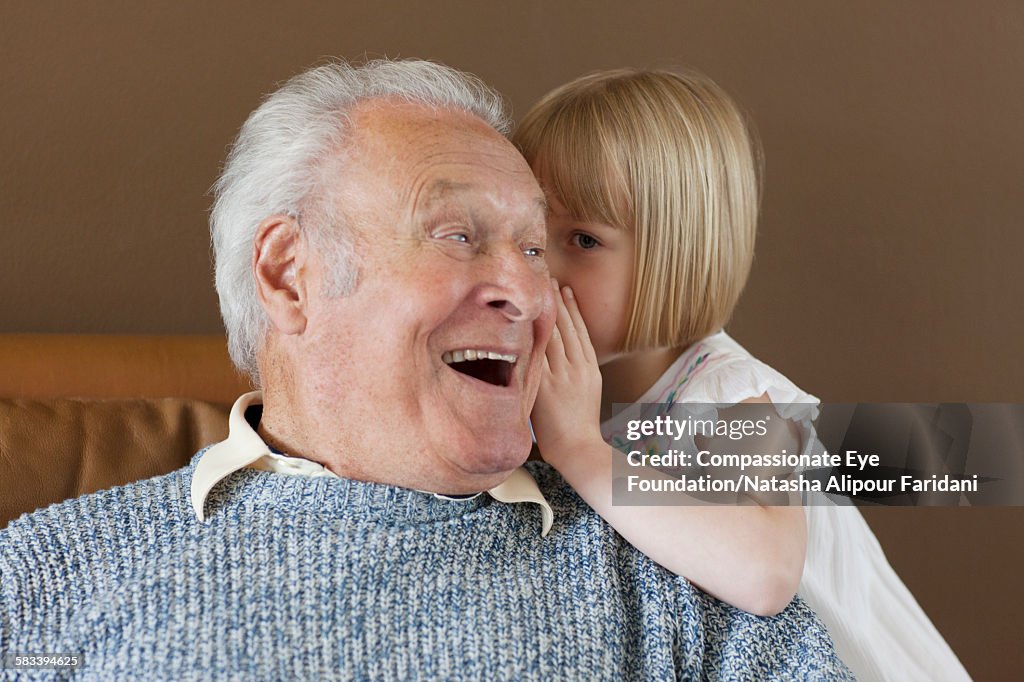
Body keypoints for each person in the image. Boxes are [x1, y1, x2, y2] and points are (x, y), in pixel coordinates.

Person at [0, 60, 852, 679]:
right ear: (289, 274)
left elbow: (779, 565)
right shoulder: (44, 579)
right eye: (459, 235)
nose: (529, 289)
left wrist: (588, 458)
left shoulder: (676, 567)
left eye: (539, 243)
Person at [514, 68, 970, 681]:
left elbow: (765, 575)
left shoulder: (730, 395)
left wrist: (580, 450)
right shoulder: (587, 393)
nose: (542, 271)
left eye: (583, 240)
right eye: (530, 241)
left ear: (678, 255)